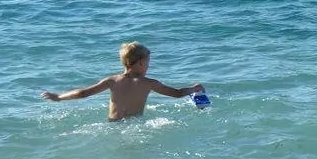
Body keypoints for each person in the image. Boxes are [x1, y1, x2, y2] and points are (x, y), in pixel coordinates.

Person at [41, 42, 204, 121]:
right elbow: (176, 94)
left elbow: (83, 93)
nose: (149, 65)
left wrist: (59, 97)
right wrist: (194, 88)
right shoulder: (150, 83)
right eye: (148, 61)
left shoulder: (112, 81)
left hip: (113, 124)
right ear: (141, 62)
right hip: (135, 125)